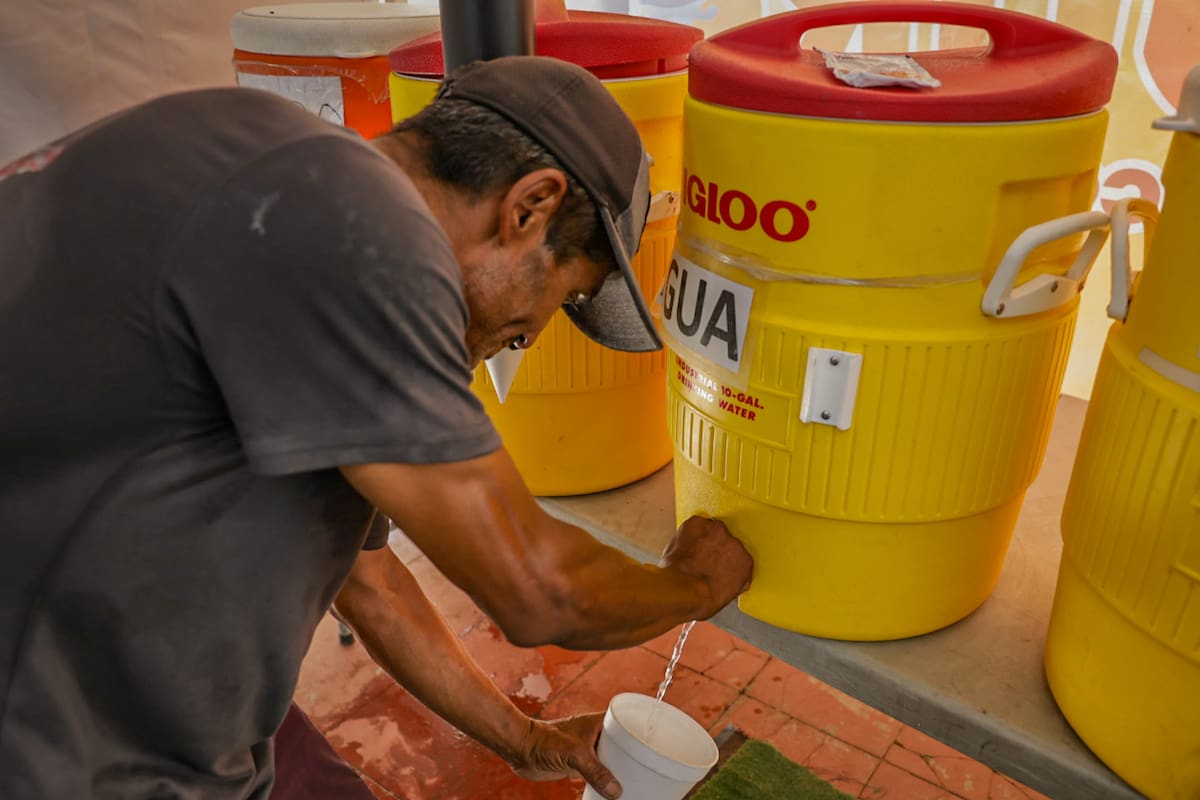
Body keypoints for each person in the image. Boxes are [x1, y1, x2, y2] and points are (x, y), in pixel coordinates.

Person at [0, 55, 753, 799]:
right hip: (59, 736)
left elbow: (368, 579)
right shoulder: (354, 231)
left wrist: (522, 739)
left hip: (144, 686)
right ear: (529, 207)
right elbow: (541, 590)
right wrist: (695, 583)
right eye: (563, 295)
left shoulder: (263, 159)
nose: (530, 333)